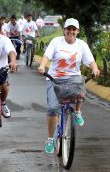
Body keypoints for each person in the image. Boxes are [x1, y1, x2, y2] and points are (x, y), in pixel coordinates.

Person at [38, 18, 100, 154]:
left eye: (73, 29)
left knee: (81, 91)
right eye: (68, 29)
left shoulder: (81, 45)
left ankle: (77, 112)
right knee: (53, 108)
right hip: (55, 78)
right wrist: (42, 65)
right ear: (64, 30)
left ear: (77, 31)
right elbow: (47, 56)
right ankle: (50, 139)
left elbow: (90, 60)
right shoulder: (56, 42)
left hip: (73, 77)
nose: (70, 31)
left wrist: (94, 69)